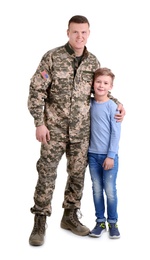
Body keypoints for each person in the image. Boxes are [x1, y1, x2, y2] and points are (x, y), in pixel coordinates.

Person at [27, 15, 125, 246]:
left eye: (83, 32)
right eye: (75, 32)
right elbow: (36, 90)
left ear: (88, 33)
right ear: (68, 33)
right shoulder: (52, 57)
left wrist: (117, 104)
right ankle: (39, 220)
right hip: (54, 130)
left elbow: (100, 91)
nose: (79, 36)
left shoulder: (93, 62)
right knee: (47, 174)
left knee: (77, 175)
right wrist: (39, 123)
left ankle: (70, 216)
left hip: (82, 133)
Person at [88, 67, 122, 239]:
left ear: (111, 86)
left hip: (109, 157)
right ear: (93, 83)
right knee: (96, 189)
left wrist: (110, 155)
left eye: (105, 83)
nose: (101, 85)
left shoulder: (113, 107)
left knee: (110, 191)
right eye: (98, 82)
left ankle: (113, 223)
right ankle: (100, 221)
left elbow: (116, 133)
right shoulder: (89, 103)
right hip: (92, 155)